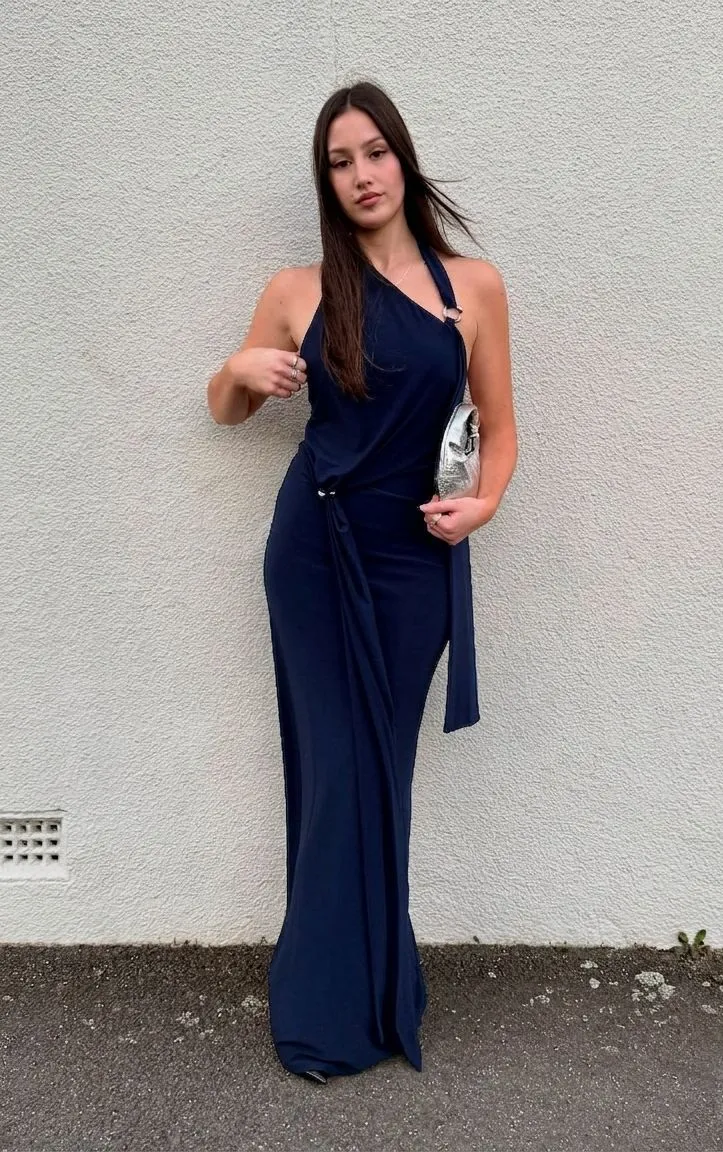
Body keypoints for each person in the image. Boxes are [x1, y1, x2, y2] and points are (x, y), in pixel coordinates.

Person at [206, 80, 517, 1084]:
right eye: (339, 162)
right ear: (326, 181)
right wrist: (240, 372)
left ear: (402, 159)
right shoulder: (296, 291)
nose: (361, 175)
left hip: (413, 562)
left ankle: (383, 990)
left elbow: (500, 431)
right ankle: (325, 1007)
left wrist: (484, 505)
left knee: (381, 770)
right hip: (313, 552)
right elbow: (225, 410)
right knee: (336, 769)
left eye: (374, 153)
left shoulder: (473, 287)